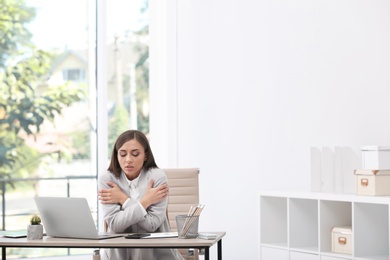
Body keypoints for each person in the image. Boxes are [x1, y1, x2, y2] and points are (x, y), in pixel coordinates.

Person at [98, 130, 184, 260]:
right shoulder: (107, 179)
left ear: (145, 155)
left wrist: (123, 199)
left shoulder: (157, 177)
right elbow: (115, 224)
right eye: (122, 154)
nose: (128, 160)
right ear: (116, 156)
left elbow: (152, 225)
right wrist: (145, 202)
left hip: (155, 254)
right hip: (119, 254)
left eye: (135, 154)